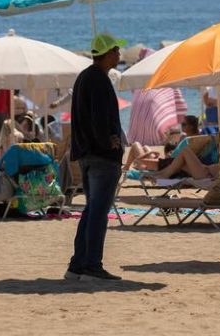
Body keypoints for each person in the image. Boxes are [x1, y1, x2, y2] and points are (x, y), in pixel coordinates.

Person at [66, 33, 126, 282]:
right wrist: (109, 142)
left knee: (92, 211)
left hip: (87, 155)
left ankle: (77, 265)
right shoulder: (99, 80)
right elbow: (99, 119)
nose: (120, 55)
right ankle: (91, 265)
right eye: (116, 51)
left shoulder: (84, 77)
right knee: (98, 212)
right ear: (108, 53)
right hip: (101, 156)